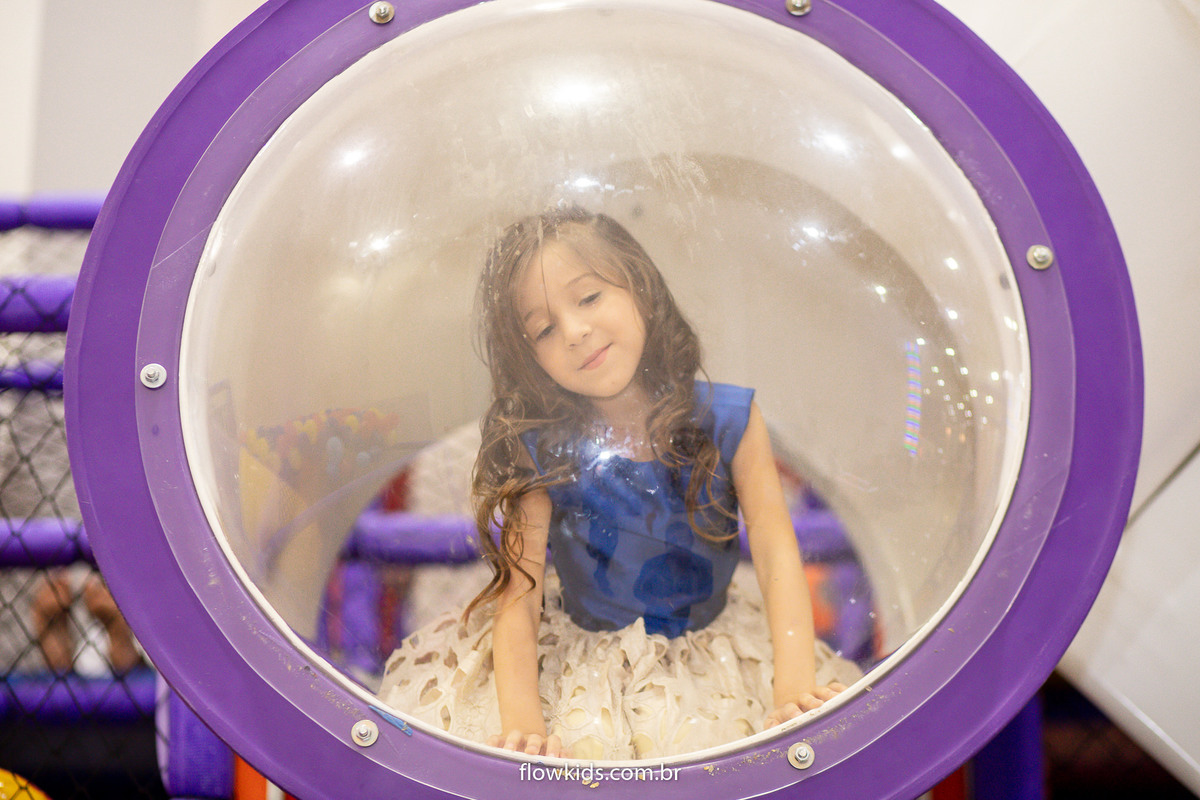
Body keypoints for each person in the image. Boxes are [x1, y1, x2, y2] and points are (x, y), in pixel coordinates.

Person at [378, 208, 858, 760]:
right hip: (586, 669)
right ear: (529, 359)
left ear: (641, 289)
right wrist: (524, 723)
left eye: (588, 298)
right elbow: (519, 593)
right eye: (544, 329)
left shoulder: (731, 420)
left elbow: (776, 554)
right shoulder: (542, 445)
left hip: (716, 659)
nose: (575, 332)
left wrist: (792, 685)